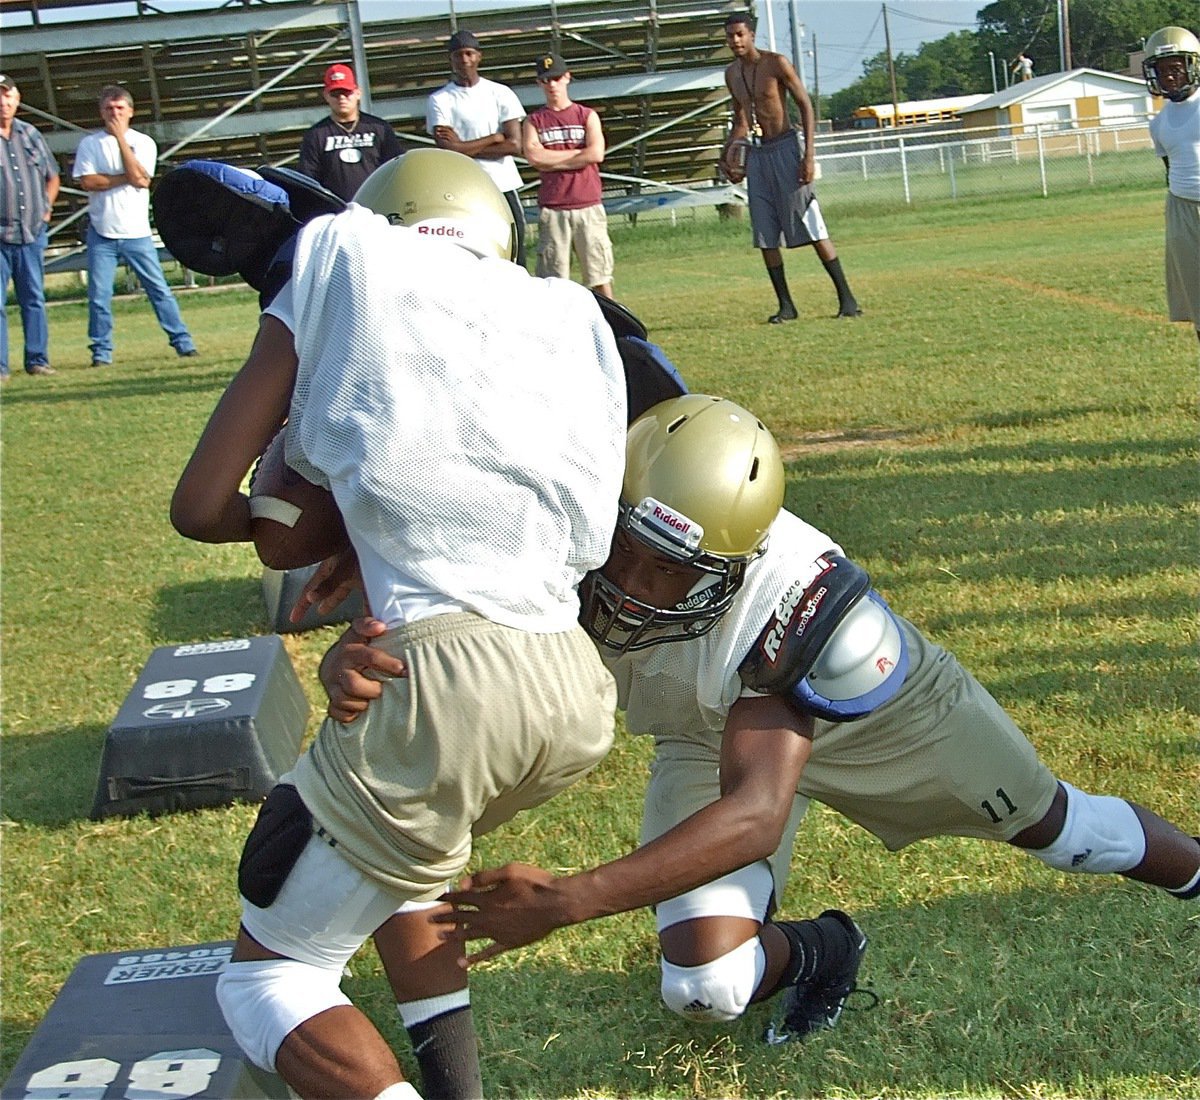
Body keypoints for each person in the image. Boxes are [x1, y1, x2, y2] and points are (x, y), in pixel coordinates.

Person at [320, 393, 1200, 1053]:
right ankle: (826, 948)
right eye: (625, 546)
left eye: (673, 572)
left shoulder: (797, 596)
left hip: (881, 724)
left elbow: (755, 813)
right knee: (704, 987)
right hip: (706, 730)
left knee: (1064, 831)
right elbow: (437, 573)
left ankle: (1196, 875)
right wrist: (355, 646)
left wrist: (568, 899)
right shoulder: (563, 512)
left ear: (735, 564)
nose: (633, 584)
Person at [170, 148, 626, 1100]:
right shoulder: (565, 310)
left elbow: (204, 505)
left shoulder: (342, 257)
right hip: (572, 684)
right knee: (406, 865)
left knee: (273, 975)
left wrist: (292, 507)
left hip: (441, 683)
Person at [718, 13, 861, 322]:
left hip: (786, 147)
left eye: (740, 34)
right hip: (757, 155)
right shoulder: (731, 74)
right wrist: (728, 153)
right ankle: (786, 305)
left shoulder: (776, 63)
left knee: (810, 223)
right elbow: (740, 119)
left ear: (752, 34)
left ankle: (847, 299)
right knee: (764, 233)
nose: (735, 41)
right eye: (730, 36)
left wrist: (808, 155)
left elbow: (805, 105)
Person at [72, 84, 196, 367]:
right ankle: (101, 352)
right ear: (101, 112)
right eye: (109, 109)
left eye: (119, 108)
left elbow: (142, 180)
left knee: (159, 291)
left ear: (130, 111)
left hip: (137, 232)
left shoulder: (143, 143)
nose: (114, 113)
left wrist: (119, 140)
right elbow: (88, 182)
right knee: (99, 296)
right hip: (101, 231)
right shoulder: (89, 145)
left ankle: (183, 343)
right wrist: (126, 176)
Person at [426, 30, 527, 268]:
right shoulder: (440, 100)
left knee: (516, 251)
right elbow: (448, 149)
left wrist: (462, 147)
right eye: (458, 55)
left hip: (503, 185)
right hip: (463, 188)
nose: (464, 60)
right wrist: (493, 137)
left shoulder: (500, 93)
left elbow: (514, 144)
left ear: (479, 56)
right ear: (450, 59)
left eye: (469, 53)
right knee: (473, 255)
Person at [523, 52, 614, 298]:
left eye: (556, 78)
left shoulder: (586, 115)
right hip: (554, 208)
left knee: (599, 276)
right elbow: (534, 157)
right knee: (553, 281)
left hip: (588, 205)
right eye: (545, 80)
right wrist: (576, 156)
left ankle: (614, 329)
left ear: (567, 78)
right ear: (539, 83)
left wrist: (552, 159)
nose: (552, 85)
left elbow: (596, 153)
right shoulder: (534, 121)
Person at [1142, 25, 1200, 344]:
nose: (1168, 78)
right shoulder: (1159, 123)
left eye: (1175, 69)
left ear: (1192, 66)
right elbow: (1170, 169)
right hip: (1182, 211)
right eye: (1162, 71)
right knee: (1198, 302)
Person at [0, 73, 59, 380]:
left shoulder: (30, 134)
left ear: (17, 99)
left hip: (30, 234)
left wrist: (46, 210)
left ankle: (38, 359)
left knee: (33, 299)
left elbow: (53, 175)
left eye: (7, 95)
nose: (3, 102)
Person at [297, 63, 403, 202]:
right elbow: (308, 178)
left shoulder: (379, 128)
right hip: (336, 211)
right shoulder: (316, 135)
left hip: (376, 207)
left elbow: (396, 168)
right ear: (326, 96)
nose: (341, 98)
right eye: (335, 93)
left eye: (346, 92)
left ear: (358, 93)